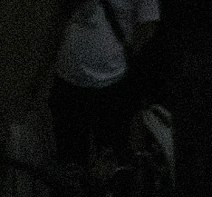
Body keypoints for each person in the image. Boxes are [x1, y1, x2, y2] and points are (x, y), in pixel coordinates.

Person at [49, 0, 158, 167]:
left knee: (112, 160)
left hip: (113, 83)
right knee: (70, 161)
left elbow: (148, 25)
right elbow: (60, 16)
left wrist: (122, 57)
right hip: (68, 79)